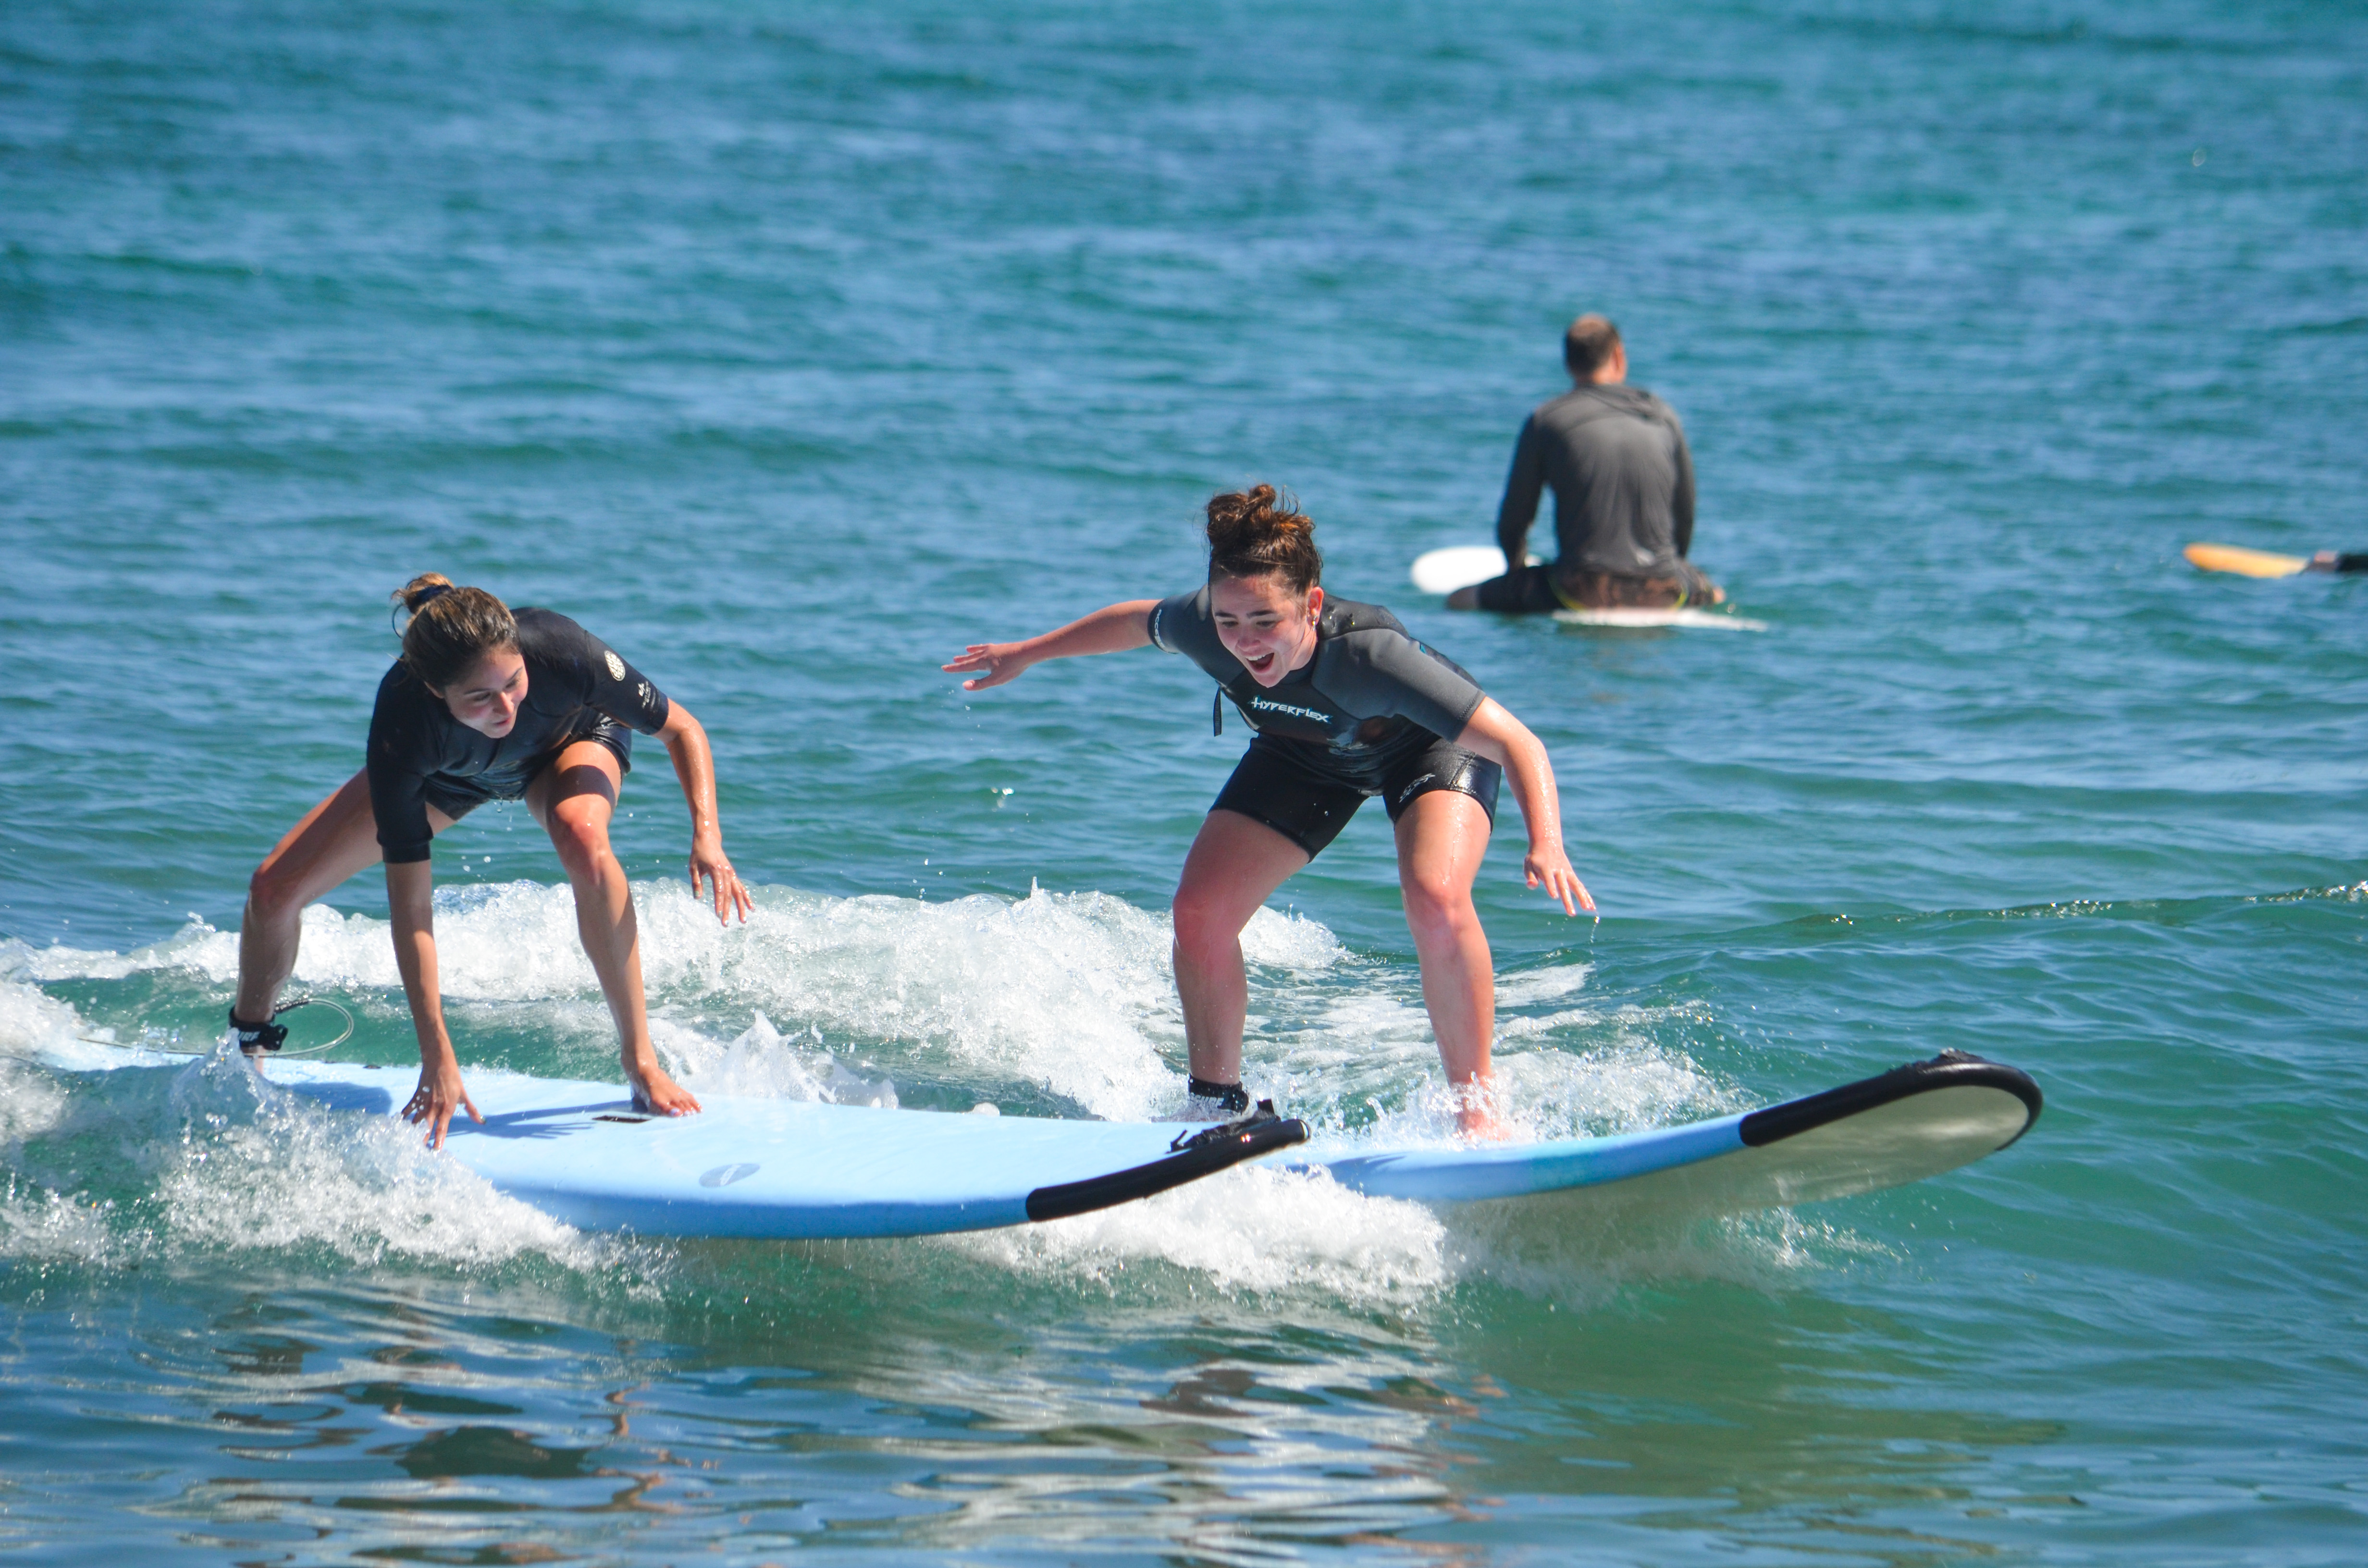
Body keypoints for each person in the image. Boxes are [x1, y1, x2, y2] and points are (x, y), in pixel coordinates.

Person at [945, 487, 1593, 1135]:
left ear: (1311, 605)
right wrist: (1024, 653)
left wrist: (1548, 842)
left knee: (1434, 895)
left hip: (1426, 752)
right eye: (1229, 622)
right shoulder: (1206, 626)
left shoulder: (1372, 658)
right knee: (1199, 913)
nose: (1245, 643)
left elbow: (1518, 743)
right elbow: (1134, 621)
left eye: (1265, 622)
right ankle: (1215, 1105)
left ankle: (1477, 1113)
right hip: (1306, 753)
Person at [230, 575, 754, 1146]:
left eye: (512, 682)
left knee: (583, 838)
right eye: (480, 696)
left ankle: (641, 1061)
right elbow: (412, 908)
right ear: (434, 690)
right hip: (453, 773)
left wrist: (708, 838)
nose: (505, 706)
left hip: (571, 740)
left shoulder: (563, 652)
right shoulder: (404, 726)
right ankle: (248, 1051)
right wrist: (436, 1054)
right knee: (272, 890)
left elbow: (684, 729)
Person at [1449, 314, 1722, 613]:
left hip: (1579, 592)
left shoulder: (1547, 420)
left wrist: (1516, 577)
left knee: (1459, 599)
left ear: (1568, 363)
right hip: (1662, 592)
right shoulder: (1663, 417)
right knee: (1716, 593)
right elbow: (1685, 513)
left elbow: (1514, 520)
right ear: (1618, 355)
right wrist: (1675, 566)